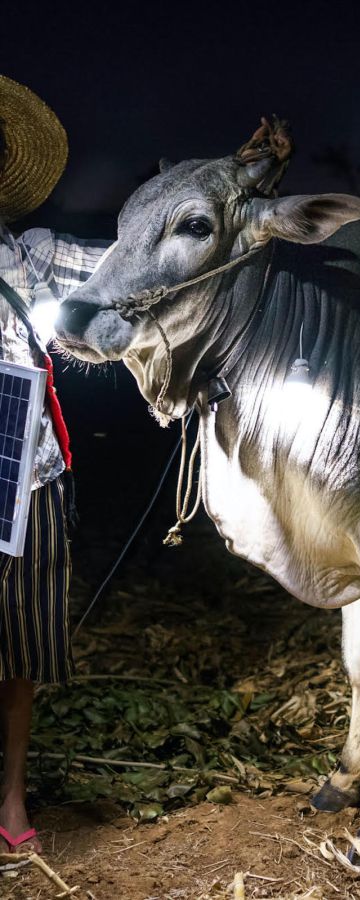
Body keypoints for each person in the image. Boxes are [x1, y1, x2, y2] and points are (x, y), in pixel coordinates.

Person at [0, 75, 109, 854]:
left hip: (28, 480)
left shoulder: (27, 258)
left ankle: (10, 797)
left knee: (20, 650)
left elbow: (126, 273)